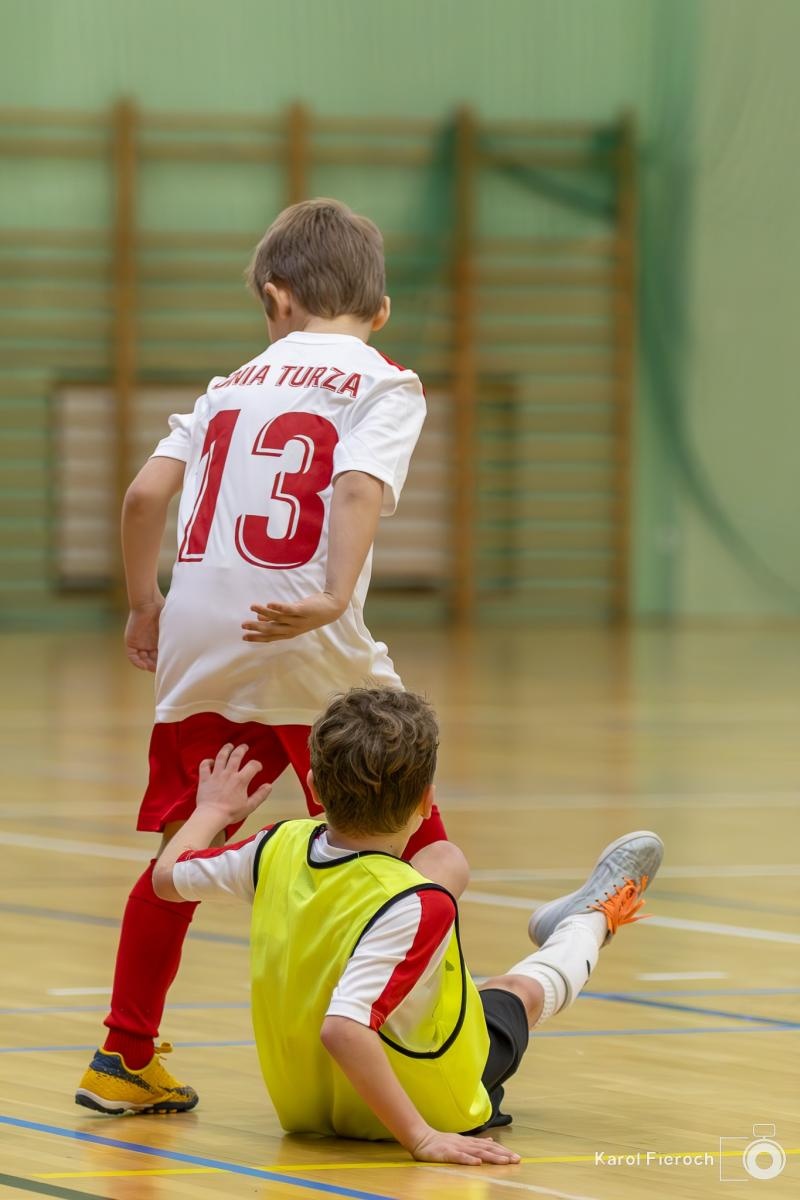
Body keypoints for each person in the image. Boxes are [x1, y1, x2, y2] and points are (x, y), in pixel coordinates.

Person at [76, 199, 447, 1114]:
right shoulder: (384, 380)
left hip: (203, 644)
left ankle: (123, 1057)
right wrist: (326, 596)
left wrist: (142, 603)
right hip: (308, 640)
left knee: (181, 855)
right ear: (382, 308)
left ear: (275, 299)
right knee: (423, 857)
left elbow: (140, 498)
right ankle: (407, 1045)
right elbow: (358, 488)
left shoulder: (225, 387)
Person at [77, 688, 664, 1165]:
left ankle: (576, 920)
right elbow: (344, 1029)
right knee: (518, 992)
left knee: (437, 938)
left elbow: (165, 878)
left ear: (314, 789)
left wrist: (211, 811)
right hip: (423, 1106)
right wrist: (422, 1137)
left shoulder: (273, 847)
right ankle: (593, 919)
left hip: (304, 1110)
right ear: (427, 801)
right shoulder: (419, 902)